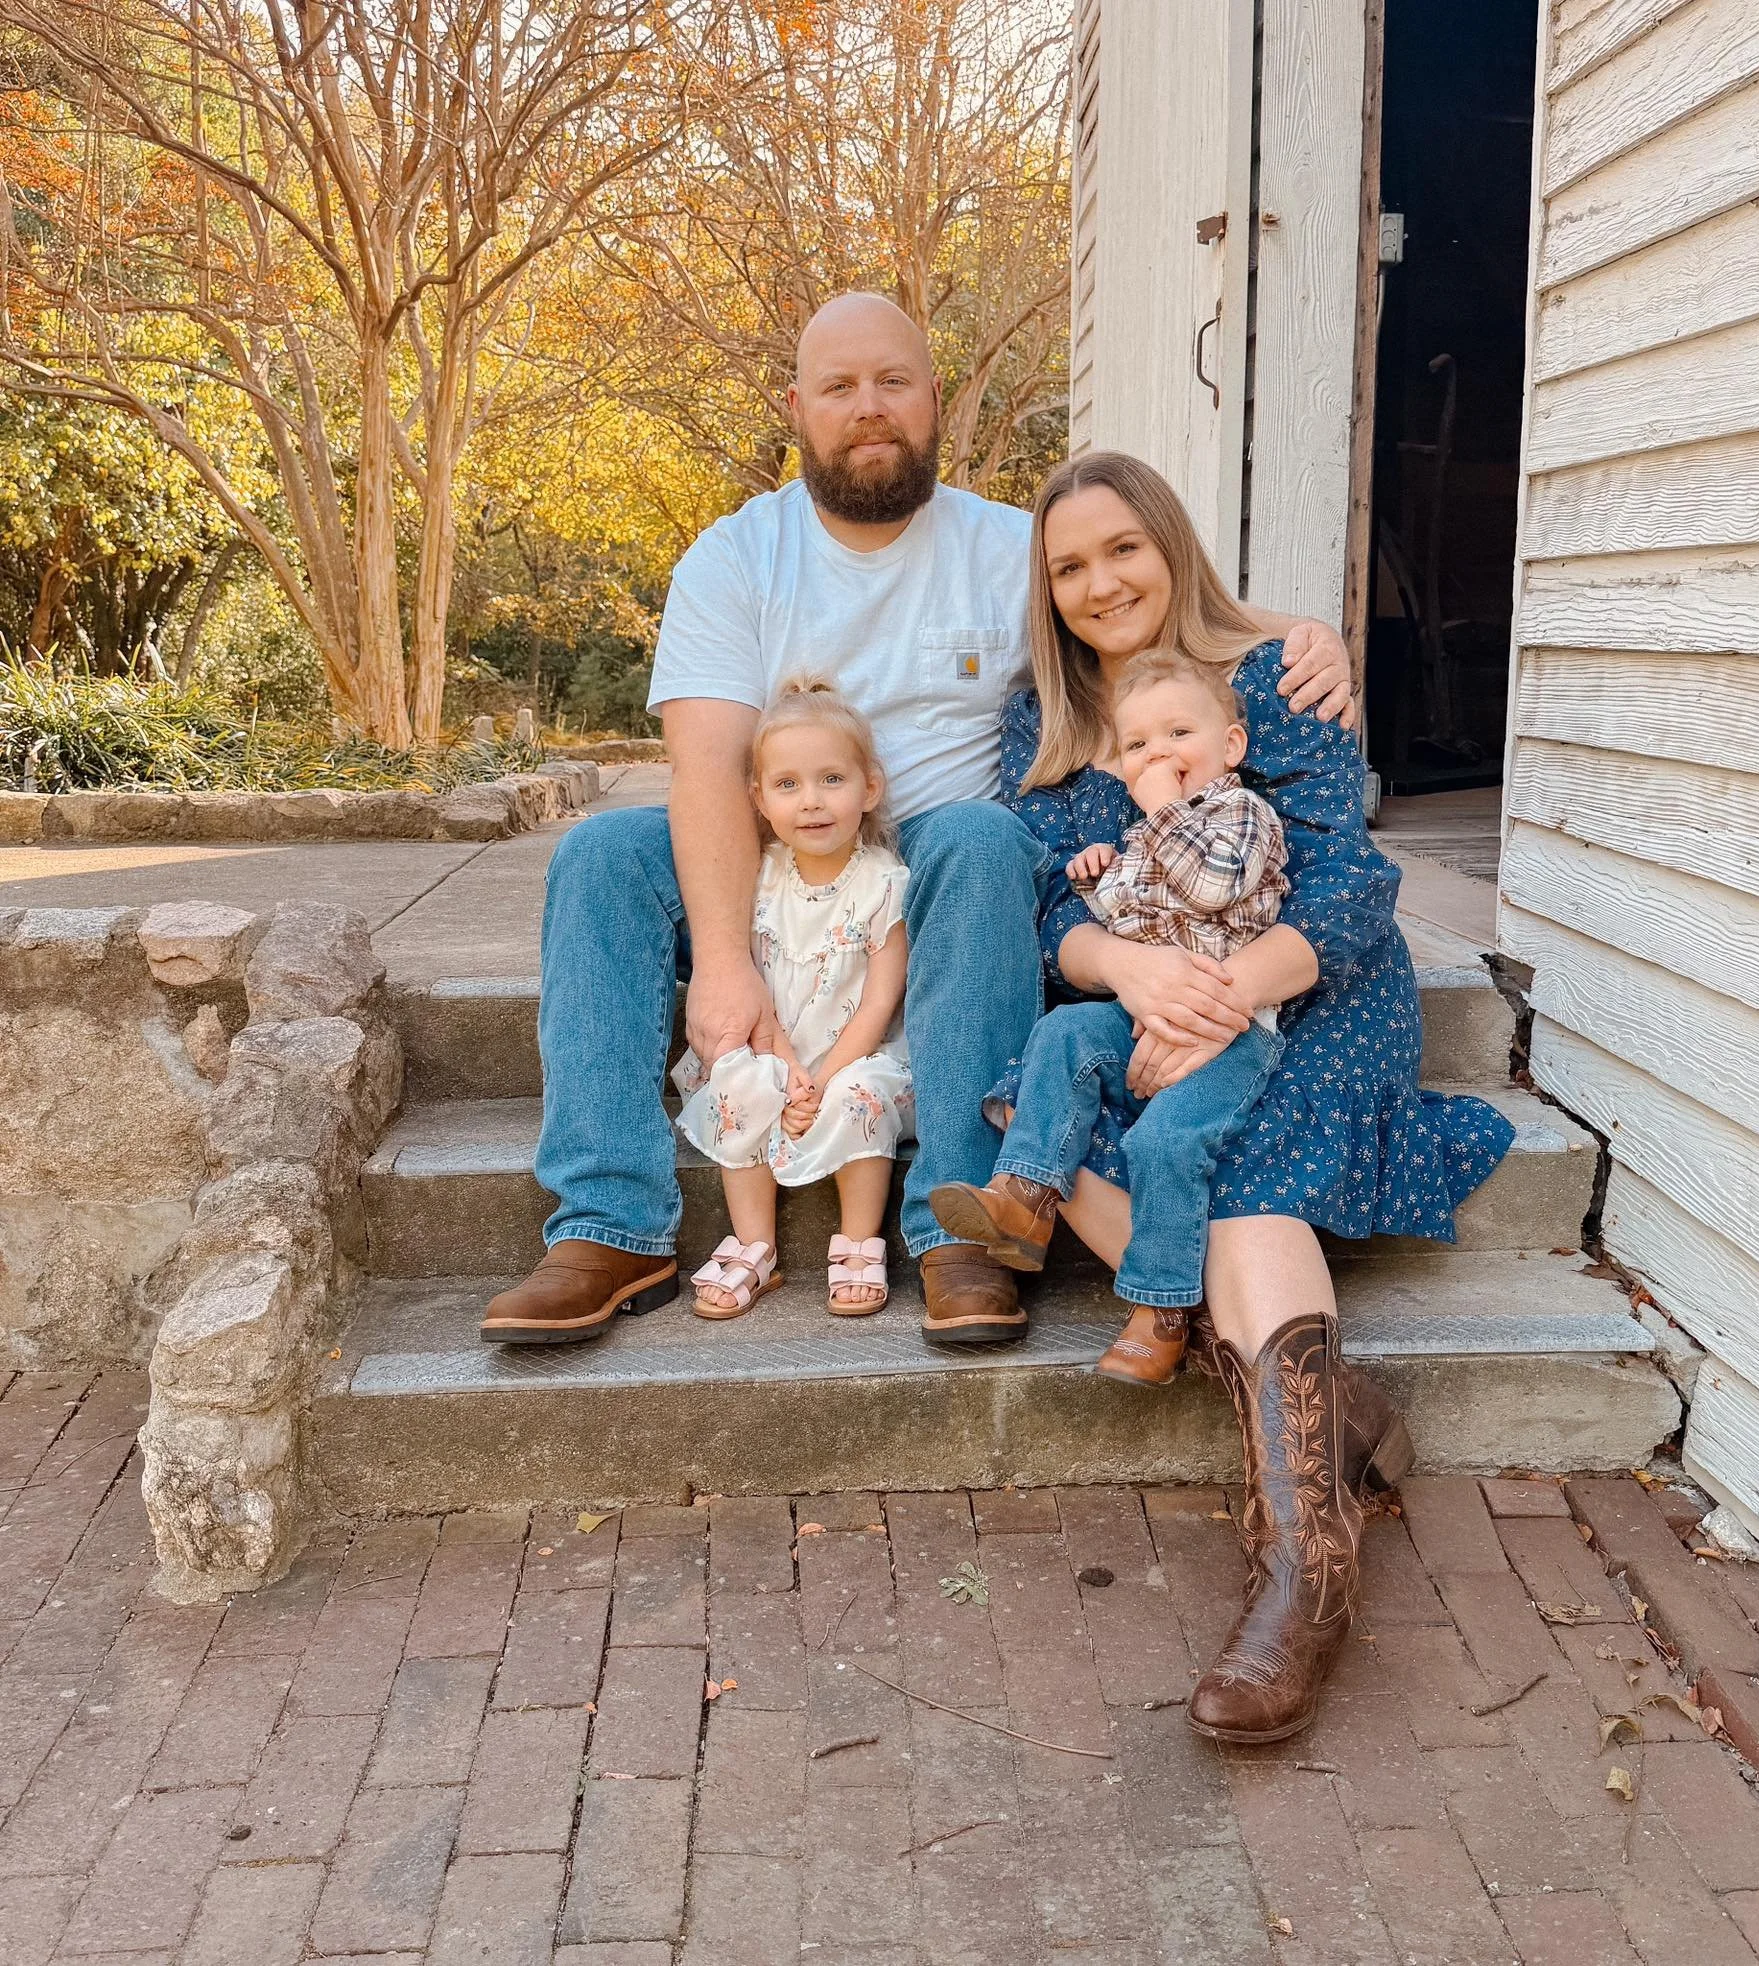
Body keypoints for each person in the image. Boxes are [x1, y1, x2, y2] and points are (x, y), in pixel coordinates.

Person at [479, 291, 1354, 1347]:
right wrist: (721, 958)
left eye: (894, 381)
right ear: (795, 408)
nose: (869, 407)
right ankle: (610, 1222)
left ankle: (958, 1228)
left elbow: (1133, 596)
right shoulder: (733, 558)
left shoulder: (1007, 547)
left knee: (989, 839)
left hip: (935, 862)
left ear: (935, 399)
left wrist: (1301, 632)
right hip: (770, 854)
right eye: (840, 388)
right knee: (601, 854)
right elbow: (706, 768)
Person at [1000, 449, 1516, 1745]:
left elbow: (1346, 884)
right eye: (1069, 564)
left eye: (1122, 546)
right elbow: (1057, 902)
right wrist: (1131, 971)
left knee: (1243, 1183)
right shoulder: (1043, 719)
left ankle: (1305, 1570)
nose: (1099, 580)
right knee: (1030, 1114)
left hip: (1312, 988)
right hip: (1142, 989)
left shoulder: (1278, 672)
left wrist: (1220, 993)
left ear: (1171, 545)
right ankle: (1328, 1412)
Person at [927, 649, 1291, 1388]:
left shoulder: (1243, 814)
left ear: (1231, 747)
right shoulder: (1143, 834)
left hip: (1231, 1035)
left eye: (1178, 734)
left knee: (1165, 1141)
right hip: (1141, 1013)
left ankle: (1159, 1312)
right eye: (1137, 746)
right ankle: (1025, 1197)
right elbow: (1125, 917)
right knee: (1061, 1033)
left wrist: (1159, 811)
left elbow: (1215, 886)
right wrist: (1101, 871)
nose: (1158, 754)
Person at [674, 675, 910, 1318]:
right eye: (788, 785)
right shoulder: (760, 876)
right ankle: (756, 1245)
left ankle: (860, 1240)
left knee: (858, 1094)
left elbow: (879, 1005)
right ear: (758, 798)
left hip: (855, 1050)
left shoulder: (883, 882)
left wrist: (819, 1080)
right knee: (740, 1086)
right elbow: (755, 985)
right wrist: (785, 1069)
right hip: (776, 1042)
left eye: (832, 779)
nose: (811, 802)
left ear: (870, 787)